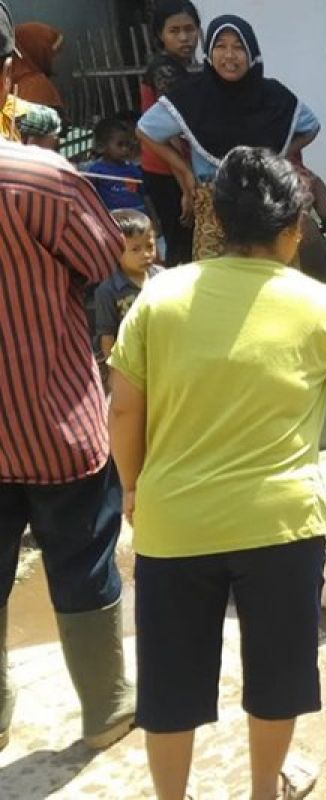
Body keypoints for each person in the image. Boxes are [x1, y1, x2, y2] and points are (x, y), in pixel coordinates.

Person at [107, 147, 326, 800]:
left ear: (219, 223)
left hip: (174, 524)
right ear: (294, 227)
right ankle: (265, 790)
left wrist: (132, 486)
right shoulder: (320, 303)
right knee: (276, 675)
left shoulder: (159, 298)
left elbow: (125, 406)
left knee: (172, 684)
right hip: (279, 528)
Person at [0, 0, 135, 754]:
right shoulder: (42, 177)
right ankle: (108, 705)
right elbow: (101, 261)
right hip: (51, 418)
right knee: (82, 558)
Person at [137, 15, 323, 262]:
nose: (229, 56)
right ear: (209, 53)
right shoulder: (192, 96)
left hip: (265, 198)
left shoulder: (273, 95)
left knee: (271, 278)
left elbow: (310, 127)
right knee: (213, 281)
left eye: (238, 47)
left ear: (252, 52)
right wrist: (184, 170)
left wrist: (276, 157)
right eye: (220, 46)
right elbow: (145, 130)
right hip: (214, 202)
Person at [140, 0, 201, 267]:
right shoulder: (165, 70)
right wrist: (186, 183)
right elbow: (171, 129)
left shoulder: (178, 66)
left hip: (171, 168)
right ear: (160, 36)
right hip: (167, 171)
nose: (184, 37)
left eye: (190, 29)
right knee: (183, 245)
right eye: (174, 31)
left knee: (185, 243)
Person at [94, 209, 163, 365]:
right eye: (135, 249)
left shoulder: (162, 278)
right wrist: (113, 369)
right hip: (130, 363)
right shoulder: (108, 290)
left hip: (161, 355)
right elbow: (107, 335)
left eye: (150, 246)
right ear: (115, 251)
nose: (145, 254)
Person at [85, 118, 148, 214]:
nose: (125, 149)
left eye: (127, 144)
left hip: (136, 213)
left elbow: (143, 192)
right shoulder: (97, 171)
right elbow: (89, 195)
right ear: (102, 147)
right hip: (112, 216)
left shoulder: (133, 169)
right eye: (120, 144)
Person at [11, 22, 64, 113]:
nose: (59, 59)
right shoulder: (37, 86)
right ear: (37, 51)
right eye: (54, 53)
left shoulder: (6, 81)